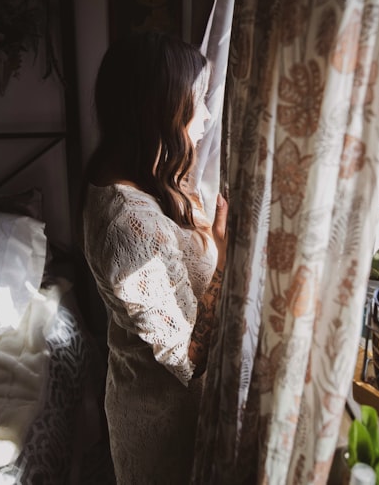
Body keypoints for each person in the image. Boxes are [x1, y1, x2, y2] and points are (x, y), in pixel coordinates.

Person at [81, 31, 228, 484]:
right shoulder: (128, 223)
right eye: (195, 102)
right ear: (156, 112)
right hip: (164, 429)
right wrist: (225, 255)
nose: (204, 117)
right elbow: (188, 356)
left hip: (177, 410)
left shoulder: (154, 171)